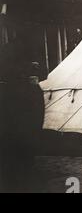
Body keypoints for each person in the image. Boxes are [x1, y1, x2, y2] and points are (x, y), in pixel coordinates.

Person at [0, 27, 44, 192]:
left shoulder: (18, 49)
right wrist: (27, 69)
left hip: (24, 97)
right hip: (18, 98)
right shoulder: (12, 50)